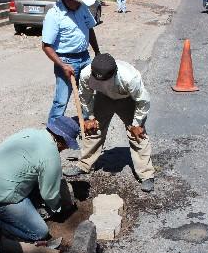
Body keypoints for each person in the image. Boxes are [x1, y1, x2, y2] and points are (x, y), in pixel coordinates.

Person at [0, 116, 80, 241]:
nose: (65, 149)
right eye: (67, 145)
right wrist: (58, 208)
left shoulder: (29, 132)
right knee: (40, 232)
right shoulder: (50, 155)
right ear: (62, 141)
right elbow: (49, 195)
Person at [63, 53, 156, 192]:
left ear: (114, 74)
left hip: (126, 98)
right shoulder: (86, 74)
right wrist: (90, 117)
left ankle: (146, 175)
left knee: (137, 135)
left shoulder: (130, 78)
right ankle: (84, 165)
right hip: (104, 97)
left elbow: (143, 101)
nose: (100, 83)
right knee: (93, 130)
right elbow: (85, 96)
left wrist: (137, 124)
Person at [42, 0, 101, 122]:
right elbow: (46, 46)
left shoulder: (82, 8)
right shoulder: (54, 15)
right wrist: (62, 65)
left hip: (85, 58)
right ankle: (54, 132)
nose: (81, 2)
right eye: (78, 0)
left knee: (86, 94)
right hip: (66, 60)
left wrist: (97, 52)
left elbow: (90, 29)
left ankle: (86, 123)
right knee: (61, 99)